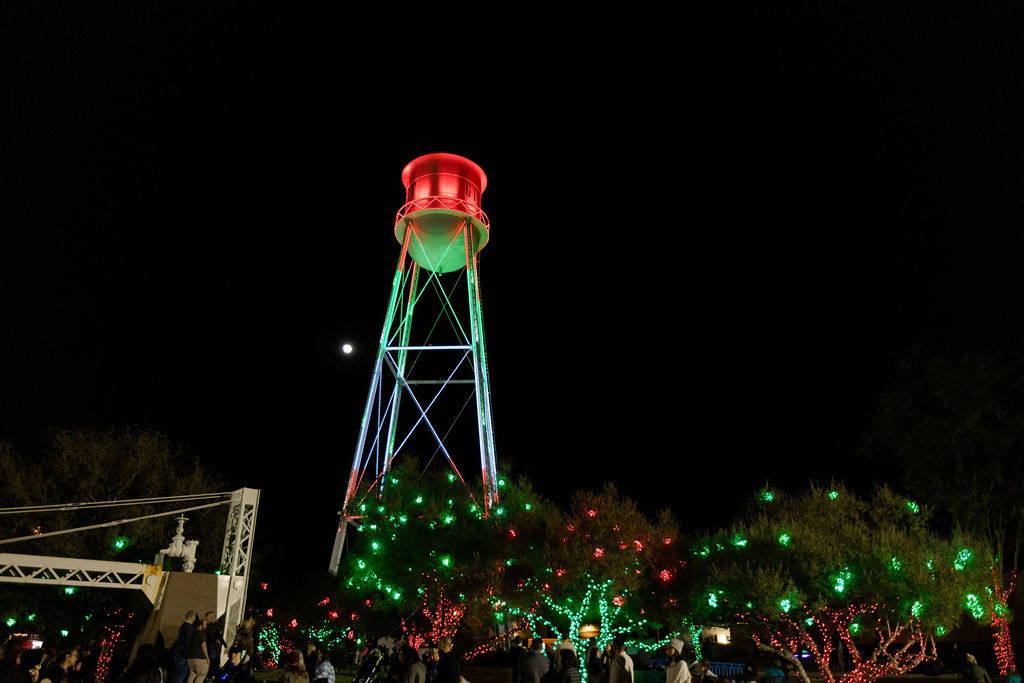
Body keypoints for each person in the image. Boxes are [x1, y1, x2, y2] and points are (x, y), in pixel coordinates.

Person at [174, 612, 198, 683]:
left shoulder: (183, 625)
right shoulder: (190, 628)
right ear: (192, 617)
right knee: (181, 675)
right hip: (185, 655)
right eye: (194, 617)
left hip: (179, 653)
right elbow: (189, 642)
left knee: (177, 673)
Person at [186, 617, 210, 683]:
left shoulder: (192, 634)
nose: (206, 626)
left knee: (191, 677)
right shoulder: (202, 634)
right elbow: (203, 646)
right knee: (201, 676)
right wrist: (207, 658)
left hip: (190, 659)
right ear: (200, 625)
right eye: (205, 624)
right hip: (200, 659)